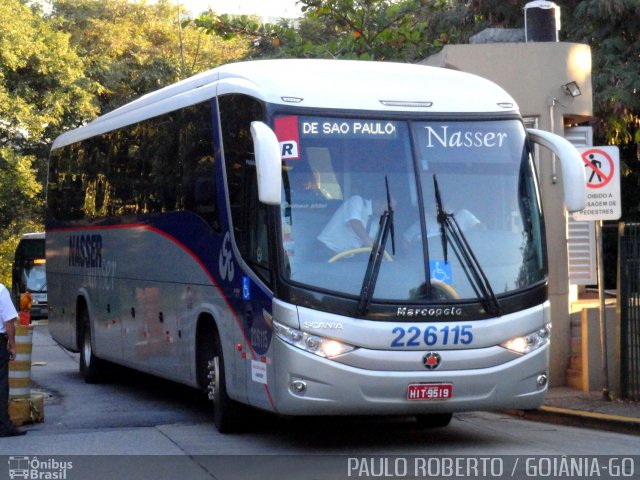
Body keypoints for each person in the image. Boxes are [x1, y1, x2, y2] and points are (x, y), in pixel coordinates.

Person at [317, 193, 388, 255]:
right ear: (378, 202)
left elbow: (376, 246)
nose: (388, 213)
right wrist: (370, 243)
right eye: (387, 208)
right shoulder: (357, 201)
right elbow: (355, 223)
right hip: (325, 251)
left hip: (346, 258)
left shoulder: (377, 222)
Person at [0, 282, 26, 437]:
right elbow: (8, 321)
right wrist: (13, 344)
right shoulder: (0, 290)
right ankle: (3, 424)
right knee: (1, 383)